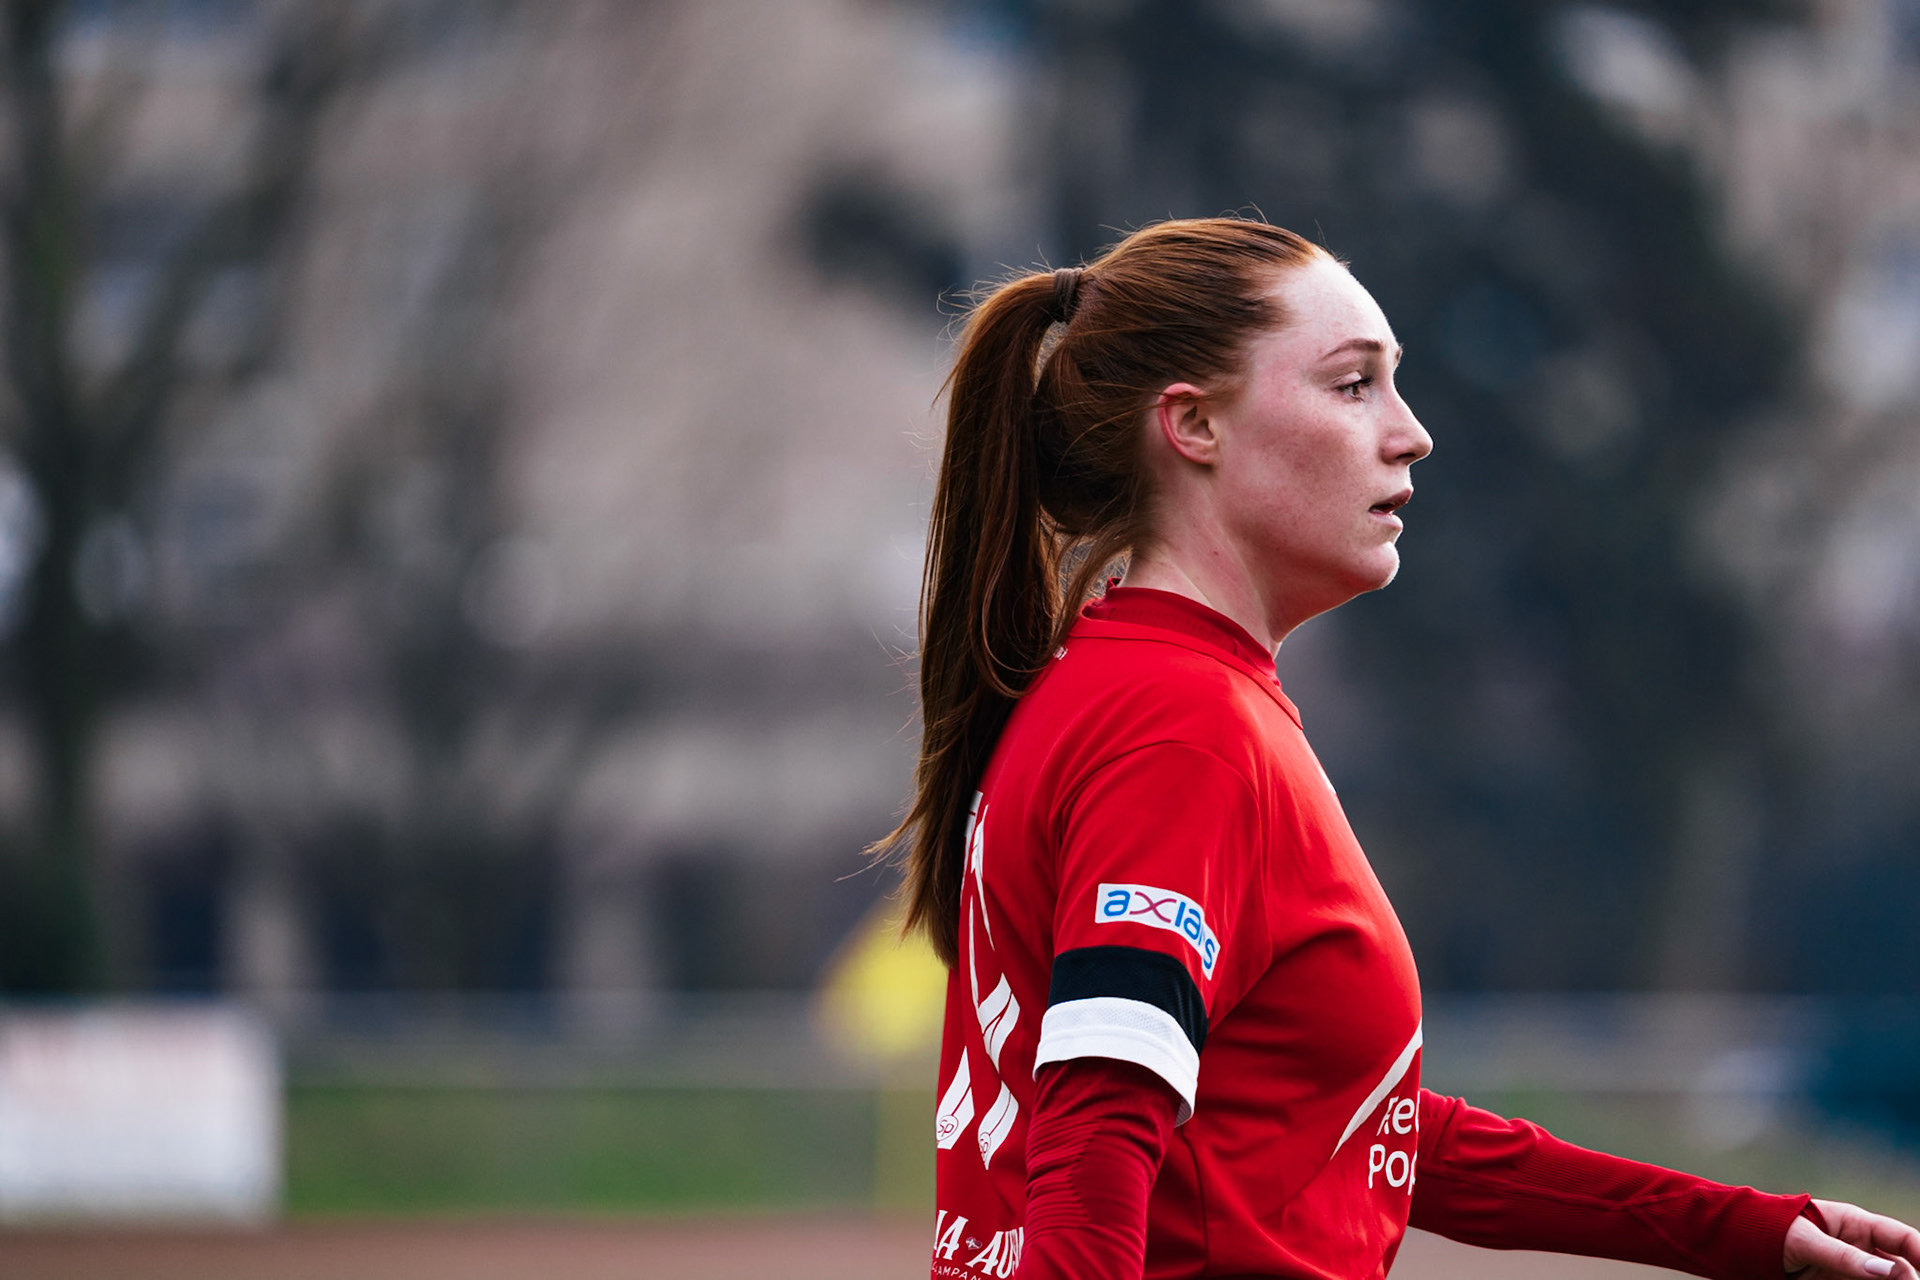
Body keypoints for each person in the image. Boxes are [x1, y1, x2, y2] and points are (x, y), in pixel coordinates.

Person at [879, 217, 1920, 1280]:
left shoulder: (1144, 691)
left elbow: (1348, 1129)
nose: (1411, 431)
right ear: (1193, 425)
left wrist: (1745, 1229)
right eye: (1352, 384)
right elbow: (1097, 1138)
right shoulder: (1179, 725)